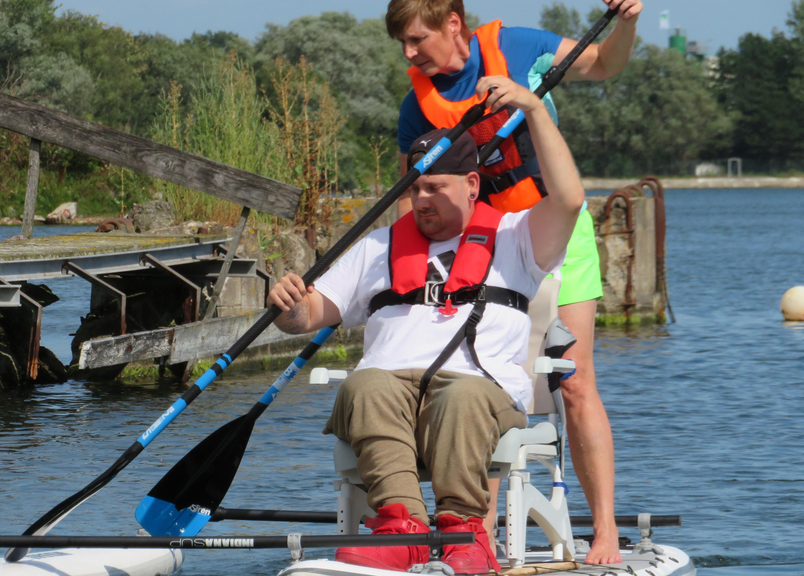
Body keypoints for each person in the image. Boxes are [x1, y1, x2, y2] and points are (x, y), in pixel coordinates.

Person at [267, 77, 583, 574]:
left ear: (472, 185)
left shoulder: (516, 238)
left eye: (436, 187)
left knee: (461, 395)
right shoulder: (375, 248)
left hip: (478, 394)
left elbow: (567, 200)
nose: (423, 199)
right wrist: (289, 307)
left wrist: (534, 110)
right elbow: (307, 315)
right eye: (416, 188)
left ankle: (462, 533)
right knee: (364, 384)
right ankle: (401, 529)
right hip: (388, 395)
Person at [386, 0, 643, 564]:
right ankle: (476, 539)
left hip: (558, 230)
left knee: (573, 383)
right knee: (485, 383)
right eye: (402, 44)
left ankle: (602, 530)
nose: (408, 55)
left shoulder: (518, 48)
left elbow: (603, 64)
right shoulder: (417, 108)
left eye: (415, 40)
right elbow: (419, 201)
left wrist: (626, 23)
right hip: (490, 248)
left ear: (452, 24)